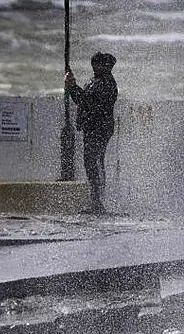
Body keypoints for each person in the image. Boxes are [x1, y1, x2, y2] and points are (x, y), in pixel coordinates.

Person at [65, 52, 118, 214]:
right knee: (92, 163)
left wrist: (73, 86)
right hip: (92, 128)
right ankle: (96, 201)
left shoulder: (106, 83)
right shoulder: (94, 81)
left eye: (99, 64)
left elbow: (87, 102)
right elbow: (84, 100)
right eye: (94, 63)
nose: (95, 66)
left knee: (94, 162)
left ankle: (98, 202)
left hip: (100, 129)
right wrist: (72, 86)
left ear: (107, 66)